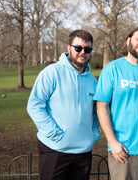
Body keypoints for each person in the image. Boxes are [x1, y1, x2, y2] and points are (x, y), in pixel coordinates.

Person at [93, 26, 138, 180]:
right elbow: (101, 108)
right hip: (123, 149)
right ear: (128, 41)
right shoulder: (112, 69)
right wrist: (112, 142)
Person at [27, 29, 100, 180]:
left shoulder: (93, 81)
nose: (82, 52)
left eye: (87, 49)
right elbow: (34, 106)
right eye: (78, 48)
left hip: (83, 151)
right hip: (55, 149)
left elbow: (96, 112)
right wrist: (54, 133)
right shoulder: (51, 72)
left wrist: (93, 134)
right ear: (69, 48)